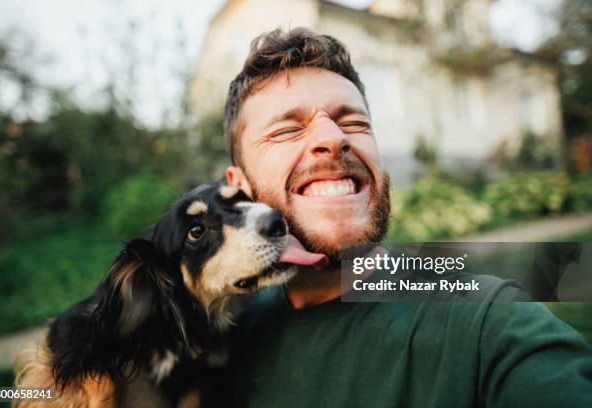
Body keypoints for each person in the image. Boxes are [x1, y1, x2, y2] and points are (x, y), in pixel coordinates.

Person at [222, 27, 592, 407]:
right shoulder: (225, 338)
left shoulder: (487, 322)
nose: (334, 138)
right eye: (287, 129)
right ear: (239, 188)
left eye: (354, 122)